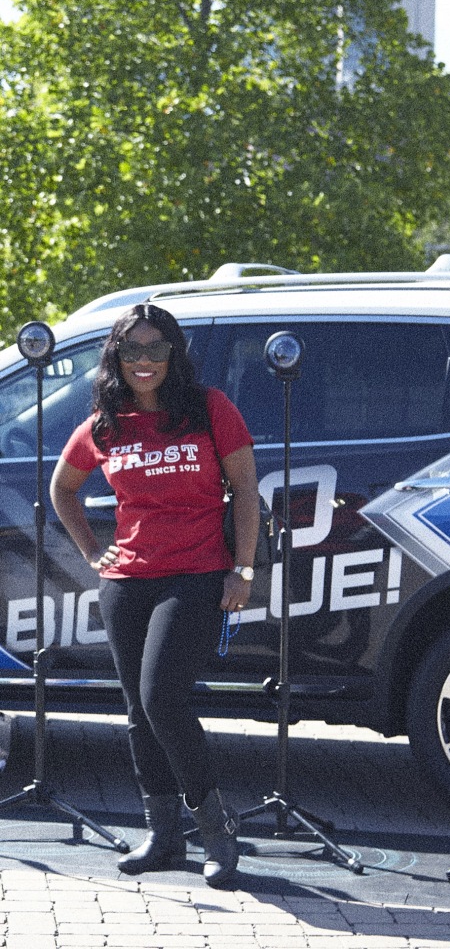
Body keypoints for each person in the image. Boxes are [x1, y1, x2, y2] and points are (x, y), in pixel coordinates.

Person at [50, 303, 259, 887]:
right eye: (132, 350)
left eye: (156, 349)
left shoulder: (209, 408)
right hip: (126, 583)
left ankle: (217, 831)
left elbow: (245, 490)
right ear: (116, 357)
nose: (145, 361)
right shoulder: (107, 421)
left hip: (194, 575)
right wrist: (94, 553)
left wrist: (242, 570)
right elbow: (63, 488)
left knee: (162, 697)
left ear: (174, 354)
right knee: (139, 713)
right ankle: (163, 836)